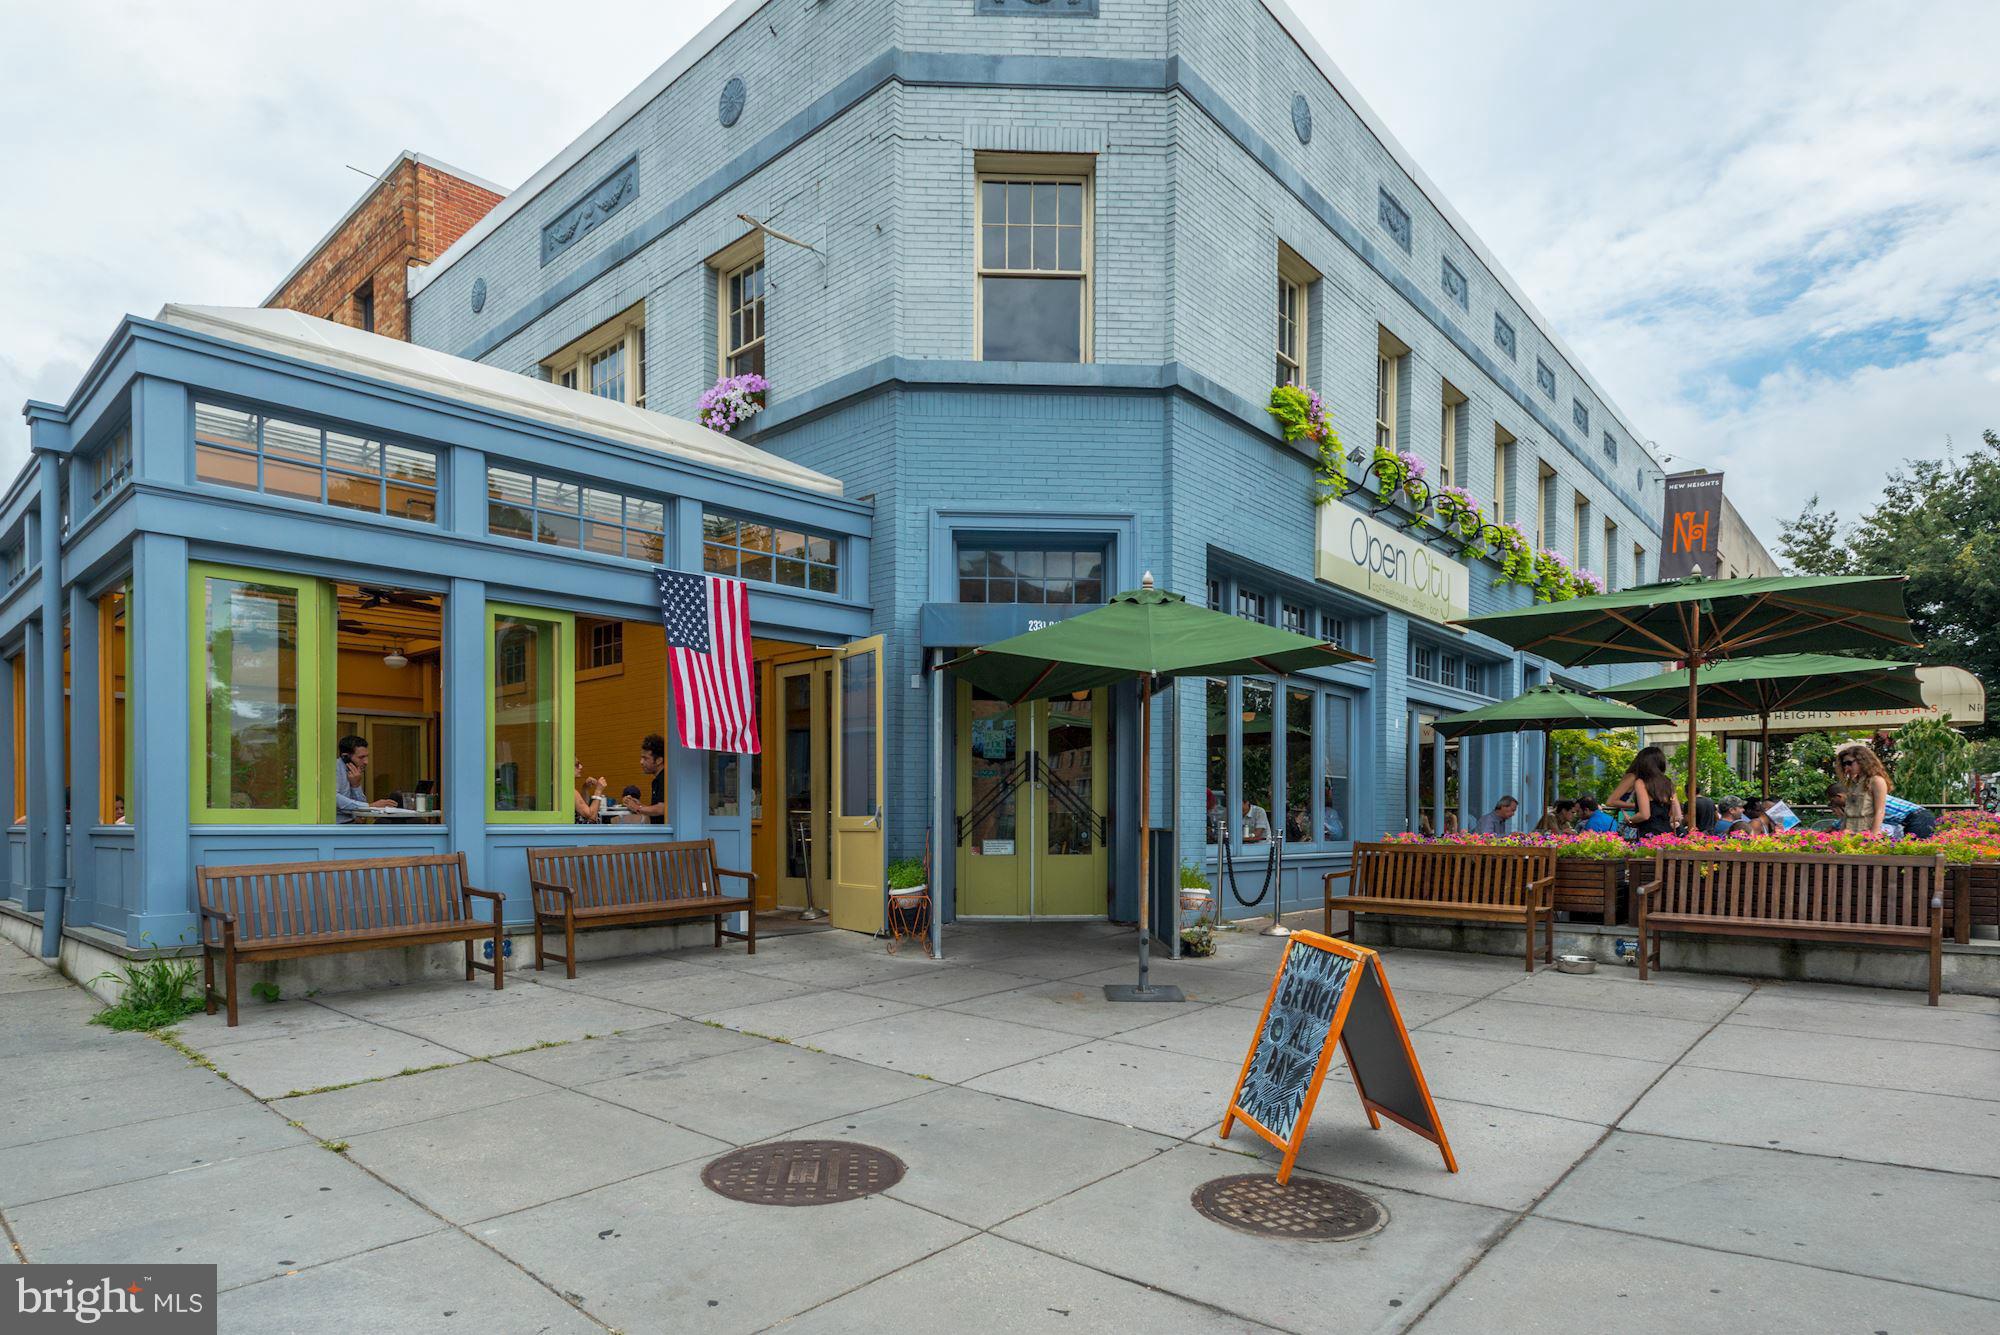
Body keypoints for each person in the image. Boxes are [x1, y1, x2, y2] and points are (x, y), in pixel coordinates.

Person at [335, 734, 398, 823]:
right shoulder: (334, 768)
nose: (366, 762)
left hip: (352, 824)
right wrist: (370, 806)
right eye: (361, 757)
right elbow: (334, 798)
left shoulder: (354, 772)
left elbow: (362, 810)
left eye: (366, 756)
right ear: (345, 756)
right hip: (336, 826)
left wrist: (356, 785)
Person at [1628, 750, 1681, 838]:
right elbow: (1677, 814)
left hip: (1649, 834)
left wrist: (1630, 820)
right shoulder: (1667, 781)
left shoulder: (1641, 782)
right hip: (1667, 835)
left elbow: (1644, 815)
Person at [1604, 746, 1666, 818]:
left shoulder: (1648, 780)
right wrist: (1639, 805)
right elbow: (1610, 802)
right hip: (1627, 819)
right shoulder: (1632, 777)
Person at [627, 733, 669, 824]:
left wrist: (637, 808)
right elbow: (657, 807)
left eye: (645, 758)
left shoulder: (665, 778)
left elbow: (662, 809)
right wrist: (640, 805)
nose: (641, 762)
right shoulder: (657, 780)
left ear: (659, 760)